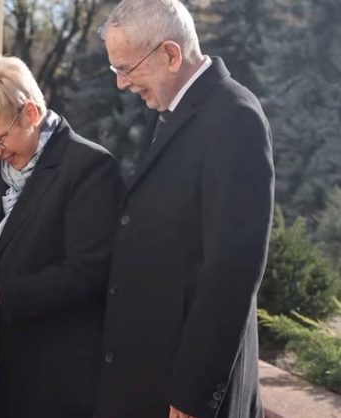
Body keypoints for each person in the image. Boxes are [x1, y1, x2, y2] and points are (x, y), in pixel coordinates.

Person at [95, 1, 274, 418]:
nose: (121, 84)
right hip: (149, 375)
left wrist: (193, 394)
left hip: (183, 394)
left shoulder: (235, 118)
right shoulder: (173, 109)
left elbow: (233, 269)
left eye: (126, 68)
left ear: (171, 54)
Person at [0, 52, 125, 418]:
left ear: (31, 114)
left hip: (57, 382)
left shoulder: (90, 168)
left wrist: (0, 293)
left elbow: (89, 273)